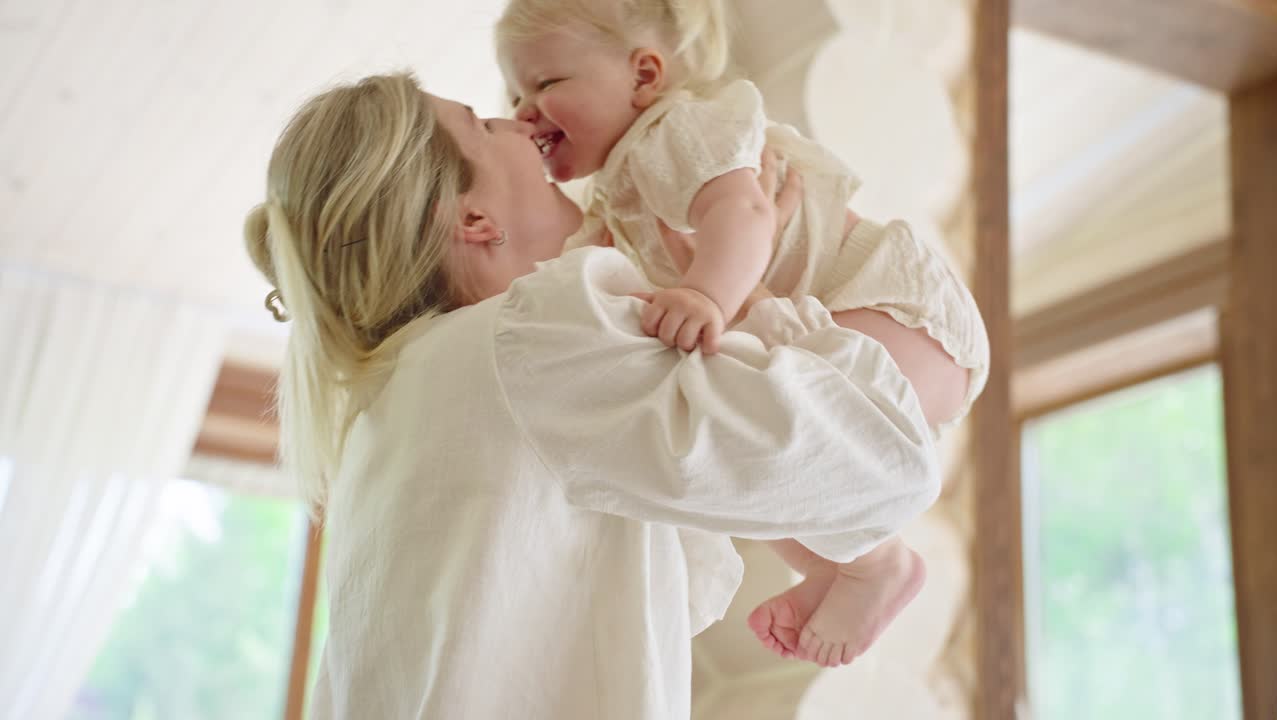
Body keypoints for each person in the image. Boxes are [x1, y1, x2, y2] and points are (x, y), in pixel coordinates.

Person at [243, 72, 965, 718]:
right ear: (472, 220)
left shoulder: (391, 409)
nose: (520, 124)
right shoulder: (534, 334)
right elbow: (883, 459)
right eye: (485, 121)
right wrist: (753, 304)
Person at [495, 0, 990, 666]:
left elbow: (745, 211)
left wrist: (705, 292)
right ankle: (828, 568)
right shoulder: (617, 192)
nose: (526, 108)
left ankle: (879, 565)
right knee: (754, 460)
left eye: (546, 84)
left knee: (792, 434)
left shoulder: (676, 129)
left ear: (644, 75)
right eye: (516, 92)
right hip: (837, 330)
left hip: (892, 308)